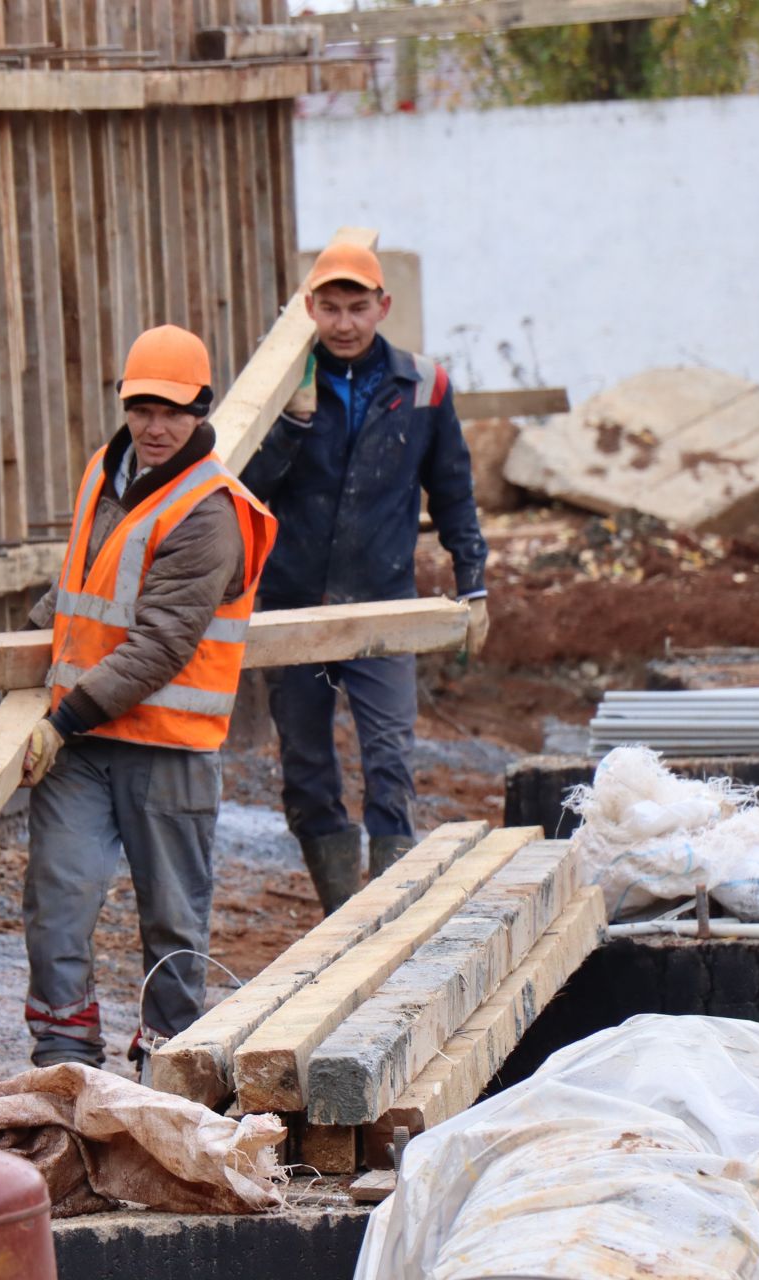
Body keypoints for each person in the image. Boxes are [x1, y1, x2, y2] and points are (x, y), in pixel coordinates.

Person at [18, 324, 278, 1070]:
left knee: (171, 921)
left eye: (172, 412)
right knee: (59, 901)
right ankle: (64, 1061)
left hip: (166, 746)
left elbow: (161, 643)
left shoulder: (212, 511)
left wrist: (59, 720)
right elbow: (85, 588)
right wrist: (30, 642)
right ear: (125, 405)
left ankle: (168, 1071)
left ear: (202, 411)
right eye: (142, 409)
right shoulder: (107, 468)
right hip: (83, 744)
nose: (155, 427)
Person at [240, 242, 490, 913]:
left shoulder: (422, 387)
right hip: (294, 607)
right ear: (308, 309)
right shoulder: (275, 389)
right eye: (330, 308)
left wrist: (474, 582)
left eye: (358, 307)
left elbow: (454, 491)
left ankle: (386, 918)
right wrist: (291, 422)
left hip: (383, 604)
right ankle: (341, 914)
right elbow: (243, 492)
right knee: (307, 772)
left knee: (389, 763)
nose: (344, 323)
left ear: (383, 306)